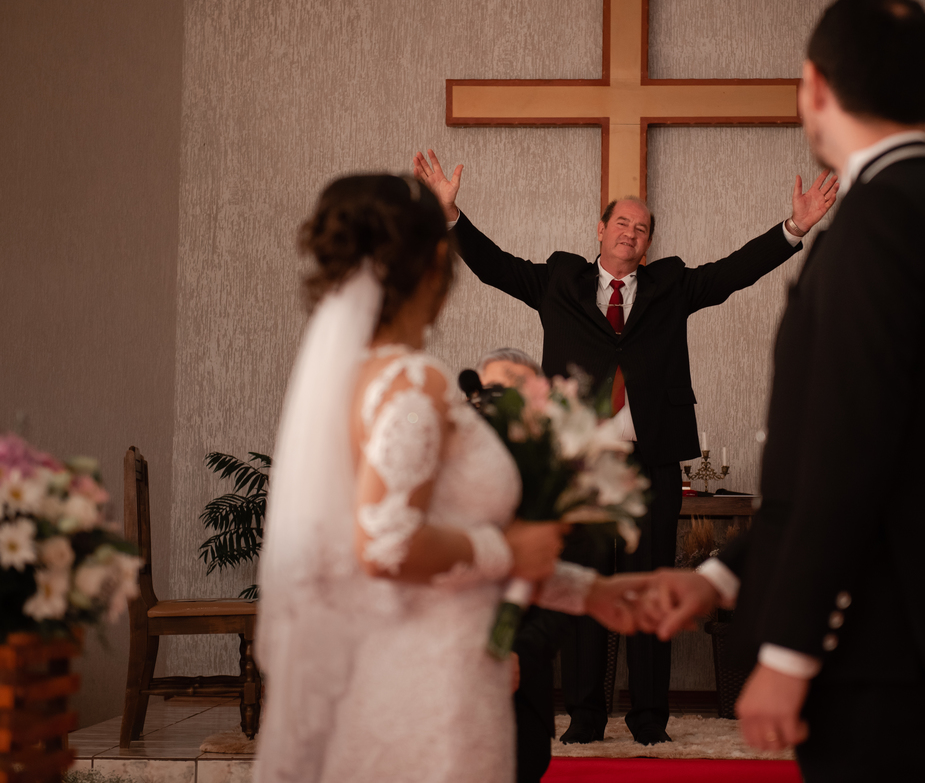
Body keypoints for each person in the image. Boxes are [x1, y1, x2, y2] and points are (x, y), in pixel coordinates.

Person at [631, 0, 925, 782]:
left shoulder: (881, 220)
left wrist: (792, 648)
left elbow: (850, 455)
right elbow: (853, 450)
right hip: (905, 627)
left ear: (815, 85)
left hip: (873, 635)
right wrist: (720, 576)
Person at [413, 149, 838, 746]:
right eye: (622, 223)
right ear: (600, 230)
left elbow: (733, 272)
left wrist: (794, 227)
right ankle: (585, 717)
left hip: (650, 463)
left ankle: (649, 719)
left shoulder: (671, 286)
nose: (631, 234)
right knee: (581, 586)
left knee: (648, 587)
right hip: (580, 467)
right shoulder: (559, 280)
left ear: (648, 242)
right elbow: (494, 266)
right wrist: (450, 215)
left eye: (641, 228)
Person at [253, 174, 644, 783]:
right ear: (436, 263)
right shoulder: (414, 383)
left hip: (401, 661)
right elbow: (388, 544)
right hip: (434, 680)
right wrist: (507, 549)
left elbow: (433, 537)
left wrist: (589, 593)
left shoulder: (348, 381)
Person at [475, 347, 558, 783]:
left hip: (521, 687)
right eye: (492, 392)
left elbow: (560, 593)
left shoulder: (562, 480)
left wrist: (513, 651)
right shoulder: (436, 470)